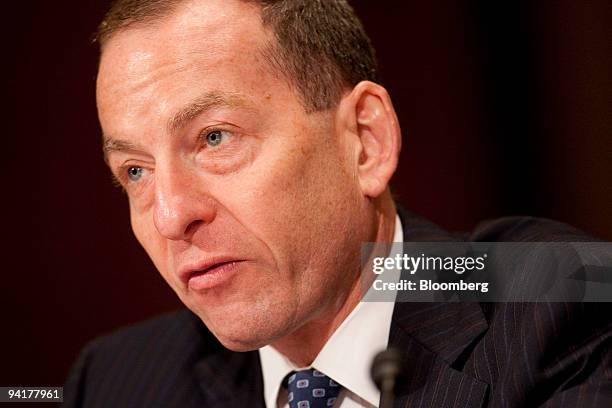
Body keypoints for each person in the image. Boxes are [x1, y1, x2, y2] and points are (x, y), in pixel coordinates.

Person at [64, 1, 611, 407]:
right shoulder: (115, 383)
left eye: (215, 139)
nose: (171, 215)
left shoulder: (560, 307)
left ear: (364, 142)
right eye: (135, 171)